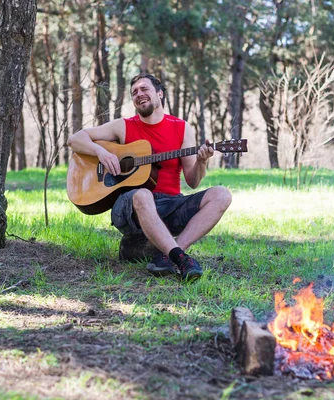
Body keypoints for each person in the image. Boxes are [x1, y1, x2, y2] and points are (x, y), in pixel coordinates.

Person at [67, 73, 232, 282]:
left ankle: (170, 255)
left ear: (160, 93)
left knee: (222, 194)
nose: (139, 94)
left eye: (144, 89)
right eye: (134, 92)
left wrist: (202, 161)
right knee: (143, 193)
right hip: (130, 208)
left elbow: (193, 181)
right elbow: (75, 139)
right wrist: (101, 152)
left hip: (171, 205)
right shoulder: (123, 126)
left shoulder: (181, 128)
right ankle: (181, 259)